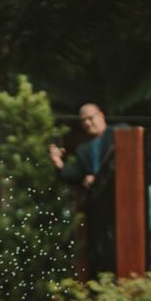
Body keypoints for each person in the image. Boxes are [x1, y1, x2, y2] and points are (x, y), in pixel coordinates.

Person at [47, 102, 126, 273]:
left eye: (90, 118)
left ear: (101, 115)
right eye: (84, 122)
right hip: (99, 206)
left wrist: (97, 177)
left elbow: (129, 158)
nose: (88, 124)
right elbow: (73, 175)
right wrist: (58, 163)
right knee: (103, 249)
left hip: (123, 198)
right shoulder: (84, 150)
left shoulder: (119, 132)